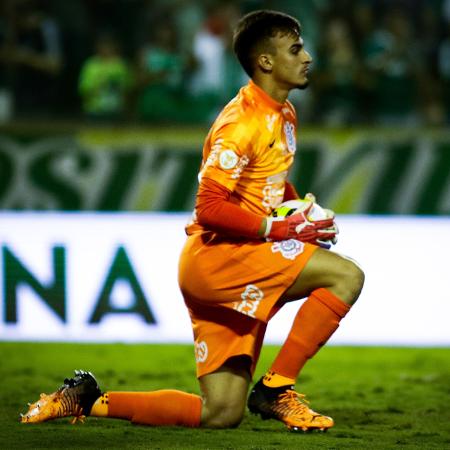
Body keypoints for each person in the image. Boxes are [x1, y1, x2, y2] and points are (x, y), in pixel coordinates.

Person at [20, 10, 364, 432]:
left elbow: (269, 183)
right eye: (296, 49)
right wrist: (279, 228)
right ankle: (276, 389)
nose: (308, 57)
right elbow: (209, 207)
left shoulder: (285, 114)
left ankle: (86, 399)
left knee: (220, 412)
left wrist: (300, 211)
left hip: (232, 262)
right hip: (222, 260)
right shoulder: (240, 124)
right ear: (266, 62)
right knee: (345, 277)